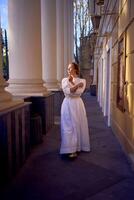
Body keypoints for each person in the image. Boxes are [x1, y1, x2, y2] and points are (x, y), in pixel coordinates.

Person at [60, 62, 90, 158]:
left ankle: (77, 147)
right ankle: (69, 149)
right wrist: (76, 86)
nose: (68, 70)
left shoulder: (83, 81)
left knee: (78, 124)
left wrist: (73, 84)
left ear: (76, 70)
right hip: (67, 104)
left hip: (77, 104)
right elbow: (67, 91)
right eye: (67, 69)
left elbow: (78, 93)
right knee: (68, 126)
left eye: (70, 68)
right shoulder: (64, 80)